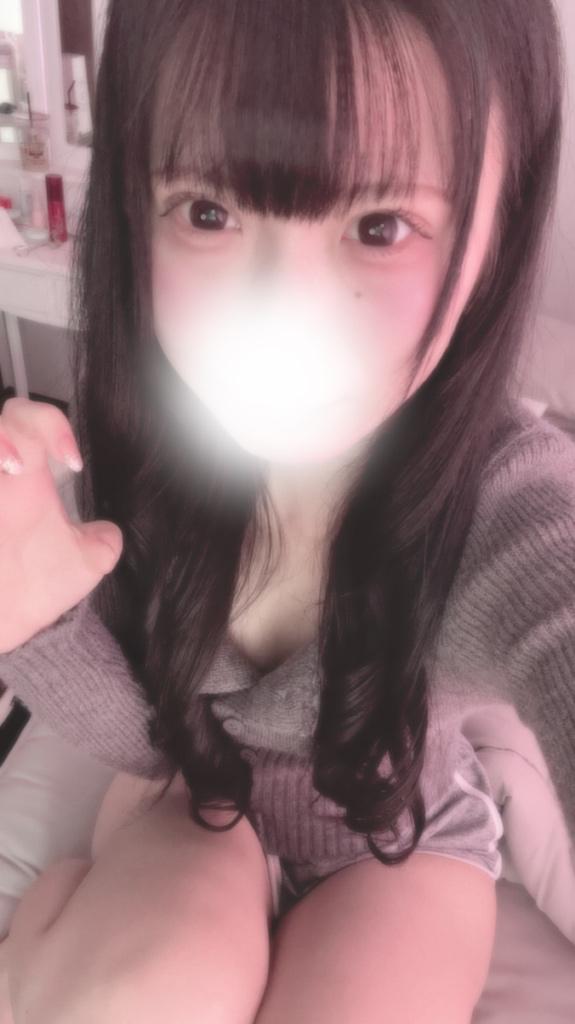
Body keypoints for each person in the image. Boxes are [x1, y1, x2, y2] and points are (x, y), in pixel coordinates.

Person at [0, 0, 573, 1020]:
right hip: (187, 800)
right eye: (207, 212)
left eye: (379, 226)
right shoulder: (135, 445)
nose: (278, 316)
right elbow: (151, 735)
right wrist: (30, 619)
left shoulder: (496, 498)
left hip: (395, 842)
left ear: (496, 230)